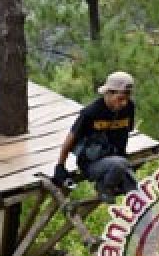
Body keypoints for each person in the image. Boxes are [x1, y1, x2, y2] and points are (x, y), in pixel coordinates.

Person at [51, 71, 139, 200]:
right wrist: (60, 166)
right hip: (92, 164)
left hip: (116, 162)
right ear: (108, 93)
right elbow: (70, 140)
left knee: (137, 193)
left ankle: (149, 221)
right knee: (120, 164)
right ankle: (103, 187)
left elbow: (127, 131)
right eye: (120, 99)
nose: (124, 103)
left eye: (127, 98)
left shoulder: (129, 108)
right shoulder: (91, 113)